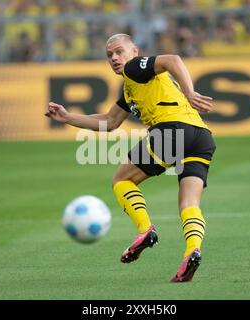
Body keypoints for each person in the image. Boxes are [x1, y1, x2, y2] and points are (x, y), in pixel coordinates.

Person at [45, 33, 216, 282]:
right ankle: (192, 251)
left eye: (119, 51)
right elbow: (110, 121)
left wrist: (190, 92)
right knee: (189, 203)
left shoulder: (135, 67)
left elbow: (173, 59)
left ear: (134, 51)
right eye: (109, 55)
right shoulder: (132, 86)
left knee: (122, 180)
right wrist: (68, 118)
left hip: (172, 130)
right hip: (201, 137)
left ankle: (144, 230)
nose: (114, 58)